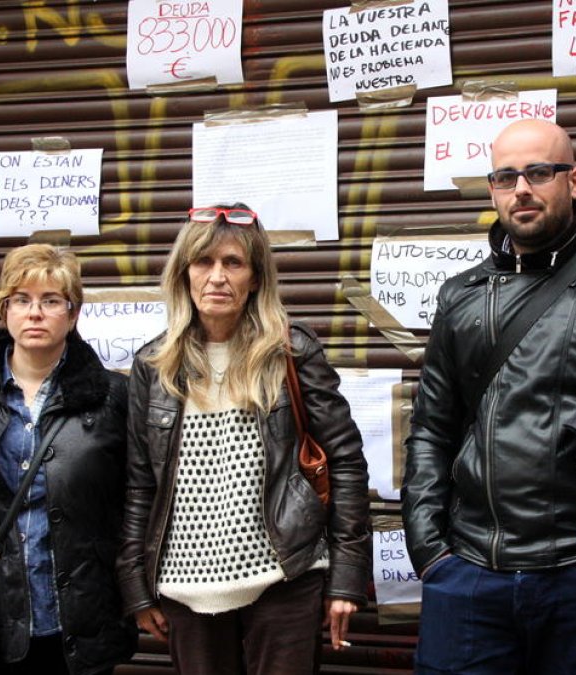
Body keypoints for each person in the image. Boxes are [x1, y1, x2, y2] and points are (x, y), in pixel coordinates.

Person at [402, 119, 576, 674]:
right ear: (492, 192)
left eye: (537, 172)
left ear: (574, 181)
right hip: (469, 574)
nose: (521, 189)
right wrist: (431, 551)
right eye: (506, 177)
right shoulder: (460, 295)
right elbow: (433, 427)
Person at [117, 204, 371, 675]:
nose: (217, 277)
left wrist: (346, 578)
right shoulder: (153, 366)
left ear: (254, 278)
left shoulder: (290, 351)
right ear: (184, 274)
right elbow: (139, 485)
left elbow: (347, 462)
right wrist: (135, 585)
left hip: (285, 581)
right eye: (203, 262)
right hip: (185, 591)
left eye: (232, 263)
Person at [0, 244, 137, 674]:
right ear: (5, 310)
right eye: (22, 299)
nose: (35, 313)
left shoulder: (111, 397)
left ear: (72, 315)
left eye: (51, 301)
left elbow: (129, 495)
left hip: (78, 606)